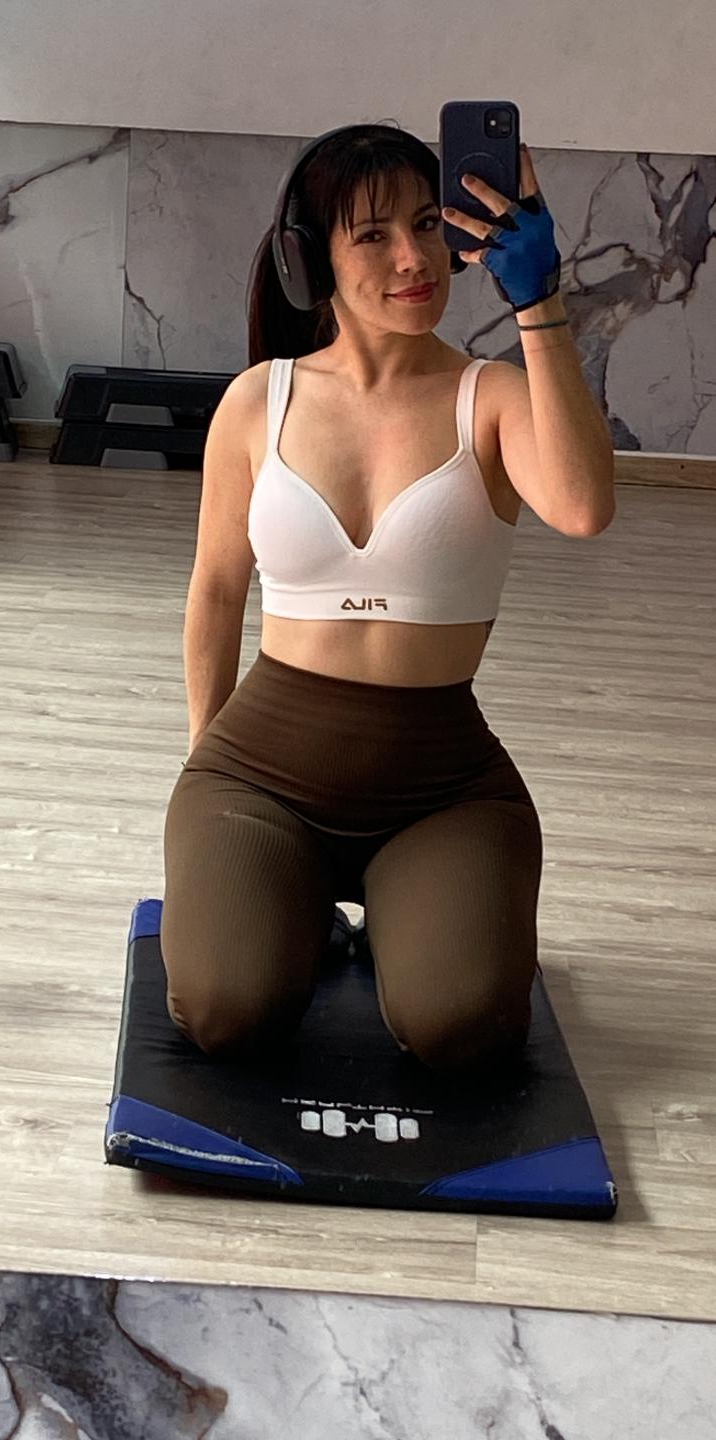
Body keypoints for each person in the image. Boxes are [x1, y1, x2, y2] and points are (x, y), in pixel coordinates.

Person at [160, 120, 612, 1077]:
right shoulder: (258, 401)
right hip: (259, 779)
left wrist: (540, 304)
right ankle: (296, 909)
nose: (414, 259)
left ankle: (392, 915)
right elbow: (216, 589)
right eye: (373, 235)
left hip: (441, 790)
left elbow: (582, 509)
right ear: (309, 261)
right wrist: (204, 765)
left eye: (427, 225)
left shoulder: (491, 396)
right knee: (226, 1010)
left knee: (463, 1027)